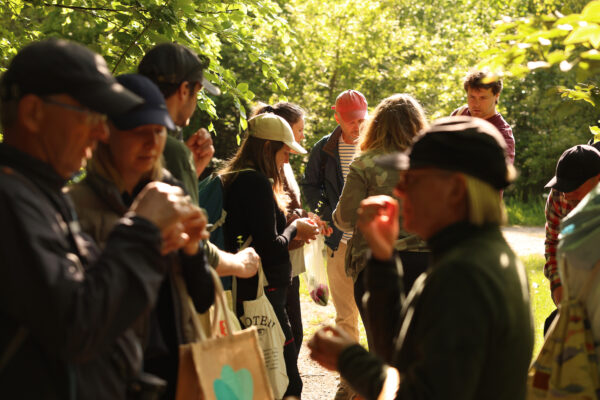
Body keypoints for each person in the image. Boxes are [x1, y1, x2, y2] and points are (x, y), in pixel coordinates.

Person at [0, 39, 207, 398]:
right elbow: (76, 325)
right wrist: (141, 231)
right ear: (33, 113)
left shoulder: (41, 195)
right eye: (89, 114)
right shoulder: (10, 200)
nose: (100, 132)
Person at [309, 116, 534, 400]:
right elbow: (403, 356)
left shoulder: (464, 275)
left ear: (455, 190)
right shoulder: (477, 256)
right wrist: (382, 258)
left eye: (412, 179)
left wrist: (351, 361)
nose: (400, 191)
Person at [67, 74, 217, 399]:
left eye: (159, 131)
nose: (152, 143)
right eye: (138, 131)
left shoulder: (171, 195)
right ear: (105, 134)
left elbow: (203, 298)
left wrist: (192, 250)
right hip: (112, 382)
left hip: (177, 374)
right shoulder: (76, 207)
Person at [220, 113, 320, 397]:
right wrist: (295, 229)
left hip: (250, 289)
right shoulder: (257, 184)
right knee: (286, 380)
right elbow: (271, 247)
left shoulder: (235, 178)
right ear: (266, 148)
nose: (286, 160)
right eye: (284, 152)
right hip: (263, 292)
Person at [139, 42, 259, 280]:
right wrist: (239, 263)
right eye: (197, 92)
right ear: (184, 90)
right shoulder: (170, 149)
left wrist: (190, 170)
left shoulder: (122, 135)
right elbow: (191, 245)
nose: (195, 102)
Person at [332, 94, 429, 357]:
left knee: (383, 351)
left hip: (374, 266)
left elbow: (345, 218)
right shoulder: (432, 162)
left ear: (376, 124)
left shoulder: (364, 163)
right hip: (428, 264)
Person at [303, 89, 368, 400]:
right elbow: (310, 186)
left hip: (371, 244)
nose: (358, 127)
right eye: (352, 121)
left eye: (362, 120)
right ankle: (350, 381)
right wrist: (323, 216)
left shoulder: (374, 147)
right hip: (338, 241)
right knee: (346, 315)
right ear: (337, 116)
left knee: (376, 314)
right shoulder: (323, 149)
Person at [542, 144, 600, 332]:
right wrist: (557, 286)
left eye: (574, 191)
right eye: (562, 188)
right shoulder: (560, 195)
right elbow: (553, 242)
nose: (566, 196)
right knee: (552, 326)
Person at [452, 70, 515, 164]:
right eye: (472, 97)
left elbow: (500, 174)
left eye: (483, 98)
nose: (476, 104)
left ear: (496, 96)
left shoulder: (502, 135)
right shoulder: (459, 114)